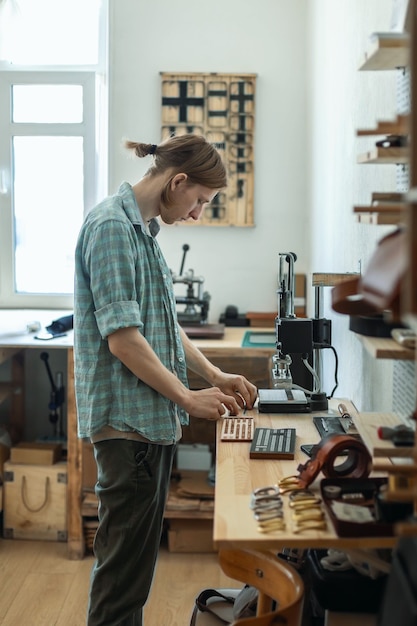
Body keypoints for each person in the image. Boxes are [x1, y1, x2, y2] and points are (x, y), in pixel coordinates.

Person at [73, 133, 258, 626]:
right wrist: (189, 398)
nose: (198, 213)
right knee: (121, 583)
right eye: (199, 201)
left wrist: (215, 373)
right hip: (127, 425)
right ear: (177, 182)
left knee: (134, 573)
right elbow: (124, 340)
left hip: (149, 422)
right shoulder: (112, 228)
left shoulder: (143, 234)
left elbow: (161, 325)